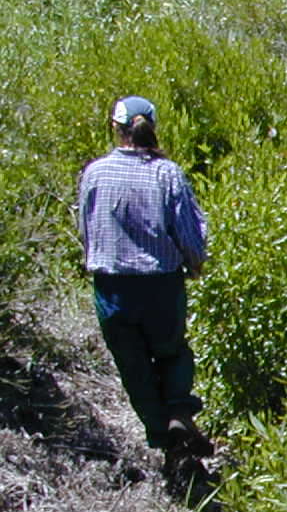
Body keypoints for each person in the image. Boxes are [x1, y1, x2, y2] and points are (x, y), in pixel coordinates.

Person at [77, 95, 212, 460]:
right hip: (160, 284)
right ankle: (179, 413)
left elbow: (86, 230)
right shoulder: (166, 173)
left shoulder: (95, 172)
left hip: (112, 287)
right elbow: (189, 232)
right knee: (172, 353)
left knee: (134, 368)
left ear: (115, 129)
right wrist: (195, 262)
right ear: (152, 125)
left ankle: (165, 441)